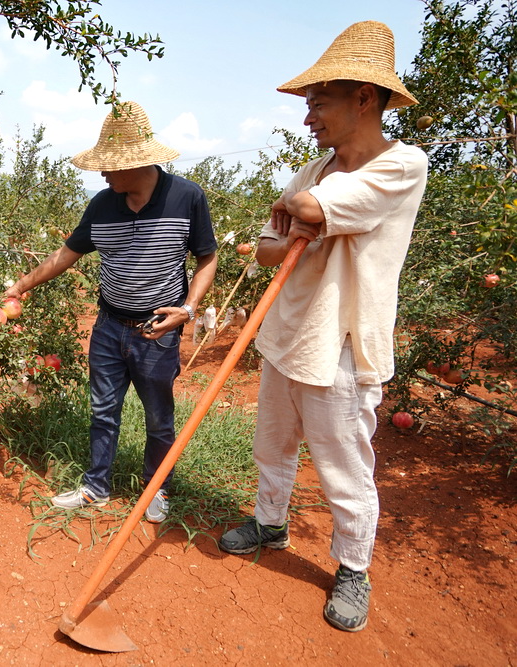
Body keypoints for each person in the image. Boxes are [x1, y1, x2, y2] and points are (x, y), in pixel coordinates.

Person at [217, 21, 429, 633]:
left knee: (343, 465)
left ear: (364, 98)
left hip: (342, 339)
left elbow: (311, 212)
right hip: (286, 330)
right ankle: (270, 522)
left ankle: (354, 568)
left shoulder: (403, 165)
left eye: (318, 101)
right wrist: (293, 218)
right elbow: (263, 248)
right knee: (272, 444)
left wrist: (301, 214)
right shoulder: (313, 169)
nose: (308, 116)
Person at [3, 101, 217, 524]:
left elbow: (207, 259)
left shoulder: (186, 197)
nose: (102, 173)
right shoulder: (102, 205)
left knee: (158, 418)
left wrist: (188, 310)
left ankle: (157, 489)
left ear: (137, 164)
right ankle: (96, 487)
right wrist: (21, 286)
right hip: (108, 328)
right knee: (103, 411)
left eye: (110, 166)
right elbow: (67, 252)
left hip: (157, 329)